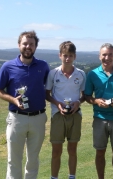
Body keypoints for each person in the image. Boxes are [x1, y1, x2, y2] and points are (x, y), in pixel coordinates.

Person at [0, 30, 49, 179]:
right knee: (13, 160)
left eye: (31, 44)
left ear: (35, 47)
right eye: (25, 43)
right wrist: (13, 100)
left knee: (33, 161)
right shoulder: (8, 66)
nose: (28, 47)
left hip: (38, 118)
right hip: (17, 118)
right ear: (19, 45)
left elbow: (49, 88)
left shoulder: (43, 66)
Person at [84, 43, 113, 179]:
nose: (107, 57)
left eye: (110, 54)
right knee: (100, 152)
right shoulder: (92, 74)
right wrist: (96, 101)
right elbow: (87, 96)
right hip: (99, 118)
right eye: (104, 54)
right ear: (99, 56)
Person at [45, 41, 86, 179]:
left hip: (75, 115)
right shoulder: (53, 73)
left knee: (72, 150)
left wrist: (78, 103)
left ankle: (72, 176)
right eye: (64, 55)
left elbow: (84, 95)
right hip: (57, 115)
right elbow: (47, 94)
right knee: (56, 151)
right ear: (60, 56)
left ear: (75, 56)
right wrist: (58, 104)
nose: (67, 58)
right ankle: (54, 177)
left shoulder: (80, 74)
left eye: (70, 55)